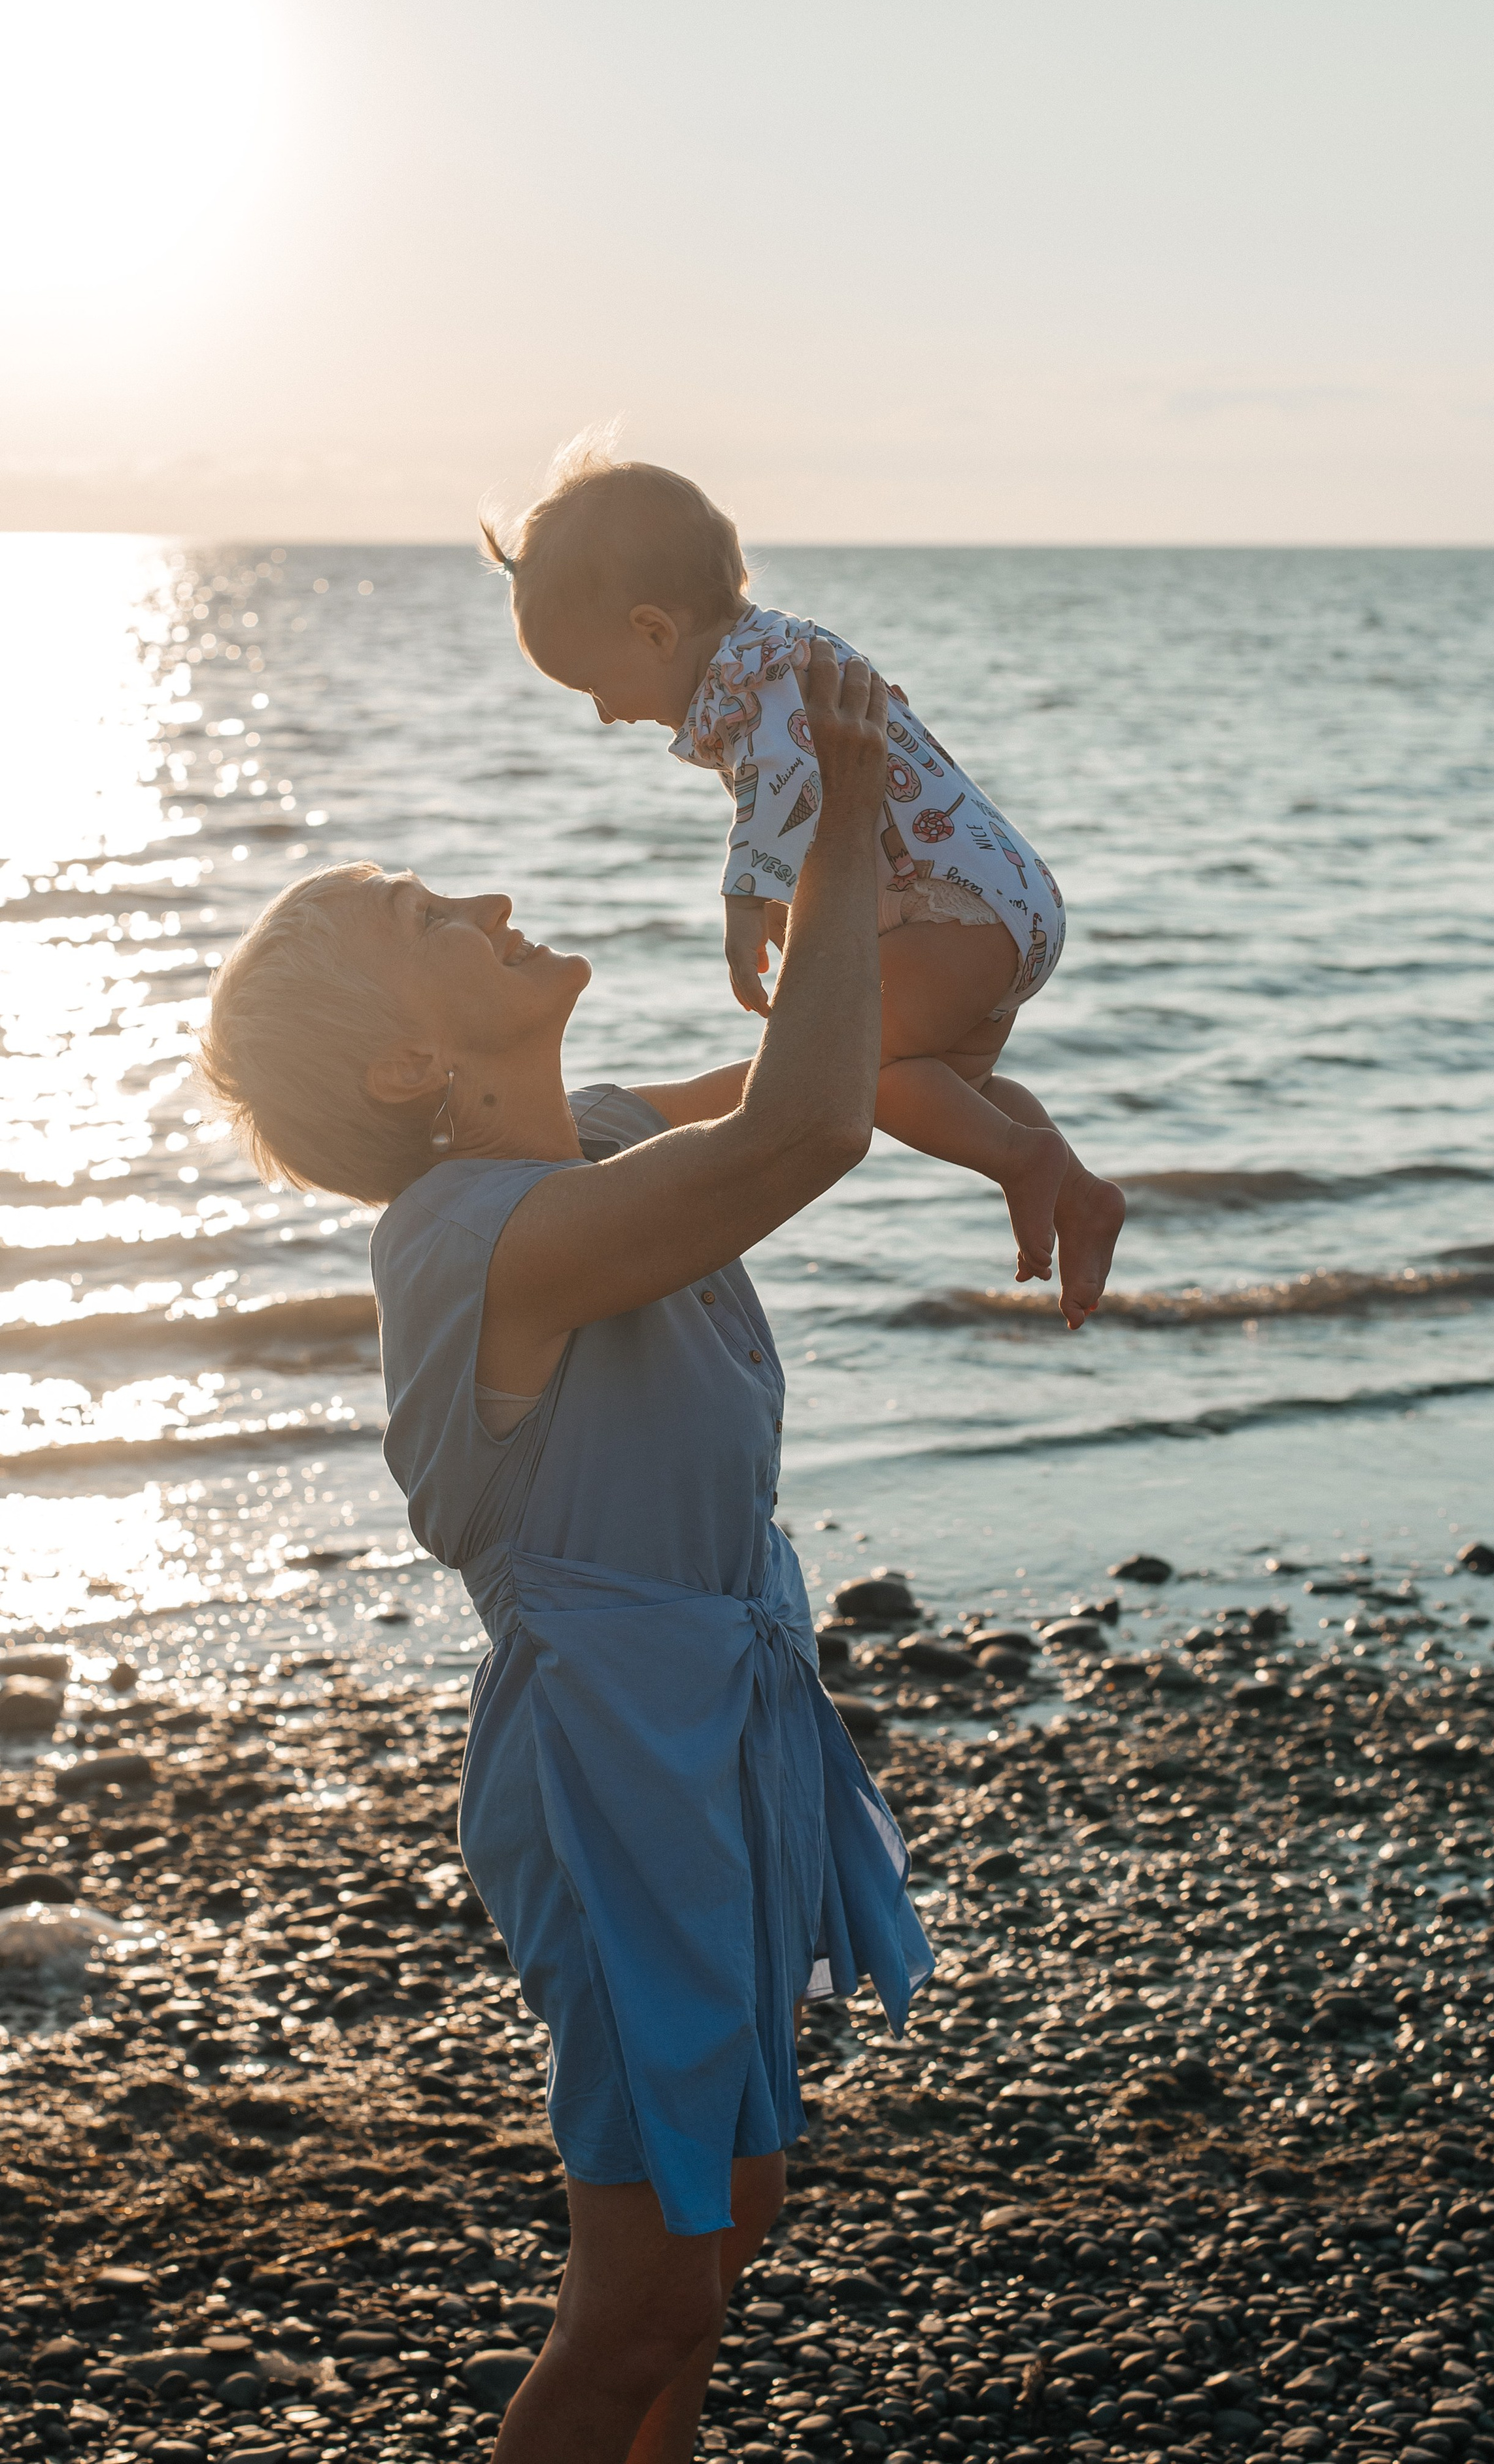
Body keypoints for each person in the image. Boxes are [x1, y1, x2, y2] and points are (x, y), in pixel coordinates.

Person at [197, 643, 937, 2464]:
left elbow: (851, 1072)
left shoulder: (597, 1143)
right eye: (427, 913)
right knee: (646, 2297)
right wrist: (837, 827)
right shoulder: (472, 1241)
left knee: (733, 2207)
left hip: (728, 1718)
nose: (490, 894)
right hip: (616, 1765)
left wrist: (1032, 1141)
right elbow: (809, 1126)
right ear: (407, 1061)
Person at [481, 430, 1127, 1330]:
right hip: (1000, 906)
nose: (603, 713)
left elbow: (783, 781)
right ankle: (1078, 1193)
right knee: (945, 1085)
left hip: (955, 913)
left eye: (594, 683)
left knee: (858, 1070)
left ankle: (1028, 1163)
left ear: (654, 630)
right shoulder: (778, 652)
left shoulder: (748, 678)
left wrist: (747, 902)